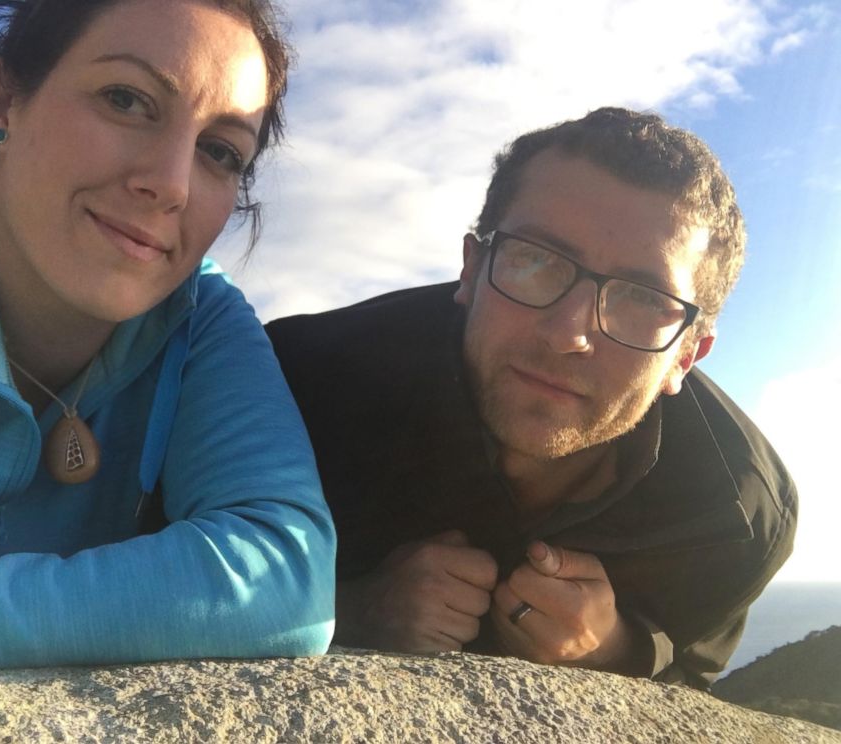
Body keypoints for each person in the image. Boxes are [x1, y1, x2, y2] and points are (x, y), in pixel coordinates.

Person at [0, 0, 335, 674]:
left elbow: (282, 580)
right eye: (126, 100)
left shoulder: (199, 315)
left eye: (221, 151)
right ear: (2, 102)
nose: (169, 185)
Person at [266, 107, 796, 689]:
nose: (569, 333)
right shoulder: (302, 382)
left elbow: (692, 666)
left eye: (643, 299)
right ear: (470, 270)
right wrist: (348, 605)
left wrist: (619, 647)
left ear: (686, 357)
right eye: (536, 260)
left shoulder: (736, 513)